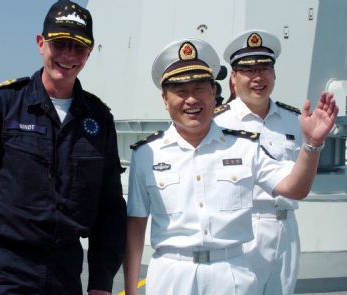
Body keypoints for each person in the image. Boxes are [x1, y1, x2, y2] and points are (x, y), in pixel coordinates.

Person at [0, 1, 127, 295]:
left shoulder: (98, 118)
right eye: (59, 44)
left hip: (65, 268)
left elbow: (110, 207)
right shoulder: (1, 105)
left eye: (78, 47)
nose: (68, 55)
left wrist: (101, 283)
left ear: (89, 52)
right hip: (3, 267)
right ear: (41, 43)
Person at [123, 38, 337, 295]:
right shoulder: (146, 154)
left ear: (214, 92)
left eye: (200, 88)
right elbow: (136, 226)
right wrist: (131, 289)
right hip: (171, 275)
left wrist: (312, 145)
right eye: (180, 91)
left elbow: (294, 188)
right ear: (165, 99)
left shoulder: (245, 147)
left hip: (232, 273)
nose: (191, 99)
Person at [214, 29, 305, 294]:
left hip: (286, 228)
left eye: (264, 68)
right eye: (248, 69)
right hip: (241, 226)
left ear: (274, 74)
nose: (257, 77)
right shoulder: (217, 123)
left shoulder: (294, 121)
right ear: (233, 78)